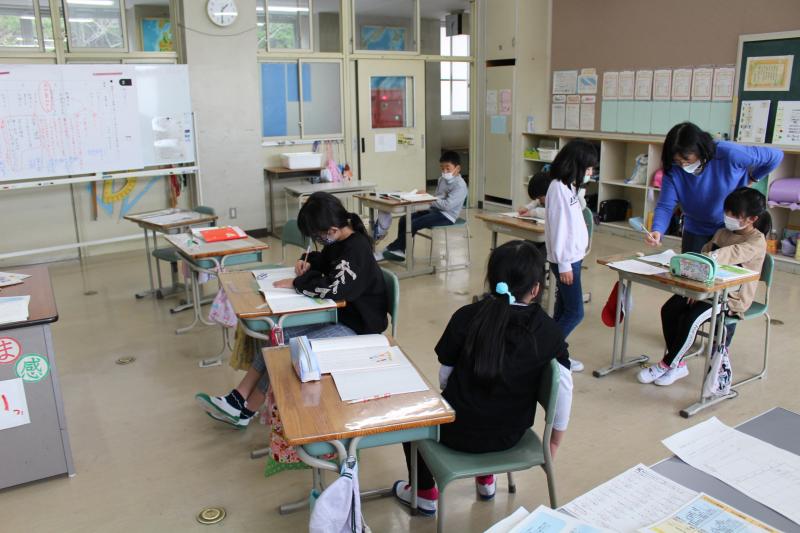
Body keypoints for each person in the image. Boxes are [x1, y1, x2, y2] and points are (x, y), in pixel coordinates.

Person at [393, 240, 573, 516]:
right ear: (536, 289)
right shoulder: (549, 331)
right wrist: (555, 442)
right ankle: (487, 480)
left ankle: (425, 494)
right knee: (493, 407)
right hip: (511, 436)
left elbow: (445, 377)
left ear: (491, 280)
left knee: (410, 413)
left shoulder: (466, 317)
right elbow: (563, 390)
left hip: (455, 434)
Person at [196, 192, 388, 427]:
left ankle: (247, 409)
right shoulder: (339, 241)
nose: (316, 240)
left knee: (287, 349)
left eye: (317, 236)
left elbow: (335, 289)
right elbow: (325, 260)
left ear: (331, 230)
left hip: (359, 327)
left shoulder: (356, 248)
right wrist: (308, 262)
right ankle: (237, 399)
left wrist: (298, 283)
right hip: (338, 316)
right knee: (279, 336)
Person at [638, 187, 770, 386]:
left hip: (730, 299)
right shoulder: (722, 232)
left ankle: (667, 364)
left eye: (735, 214)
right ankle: (678, 364)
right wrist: (694, 281)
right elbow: (703, 253)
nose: (728, 217)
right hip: (704, 290)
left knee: (691, 319)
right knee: (670, 309)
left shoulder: (757, 240)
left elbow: (732, 253)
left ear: (752, 219)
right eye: (727, 212)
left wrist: (708, 259)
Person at [646, 122, 782, 253]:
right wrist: (658, 230)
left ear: (700, 149)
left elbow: (776, 156)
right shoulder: (673, 169)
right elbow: (665, 206)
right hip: (695, 229)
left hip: (731, 228)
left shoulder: (728, 153)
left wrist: (753, 177)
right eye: (677, 161)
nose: (683, 165)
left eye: (687, 160)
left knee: (726, 266)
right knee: (691, 267)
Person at [544, 139, 598, 372]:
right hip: (566, 261)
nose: (591, 172)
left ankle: (556, 356)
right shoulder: (557, 188)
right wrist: (565, 263)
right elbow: (560, 228)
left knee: (562, 311)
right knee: (575, 312)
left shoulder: (568, 187)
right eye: (588, 168)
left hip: (573, 257)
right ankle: (545, 352)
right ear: (575, 165)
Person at [381, 151, 468, 261]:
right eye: (442, 168)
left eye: (448, 168)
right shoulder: (441, 179)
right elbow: (437, 197)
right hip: (435, 210)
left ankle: (393, 248)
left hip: (447, 216)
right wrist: (424, 198)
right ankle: (400, 250)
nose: (444, 171)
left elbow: (447, 206)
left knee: (413, 223)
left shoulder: (460, 185)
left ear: (457, 168)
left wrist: (428, 197)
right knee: (404, 219)